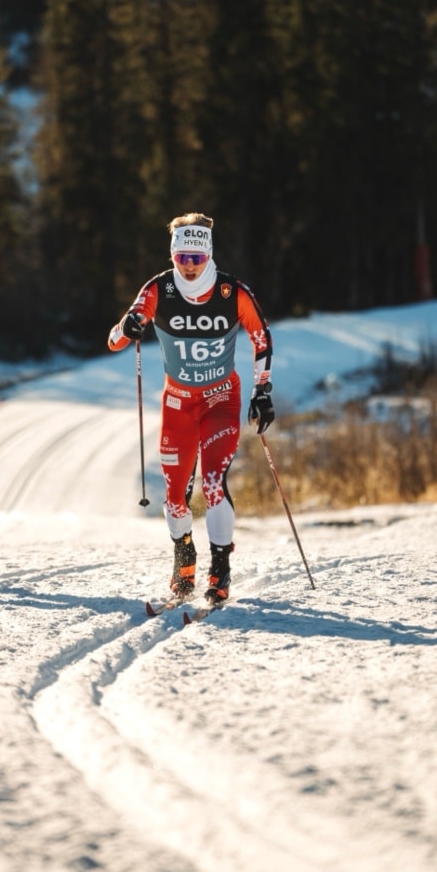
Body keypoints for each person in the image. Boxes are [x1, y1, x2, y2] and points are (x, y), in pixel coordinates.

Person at [108, 212, 274, 605]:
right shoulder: (157, 290)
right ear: (172, 256)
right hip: (178, 403)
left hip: (220, 400)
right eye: (181, 257)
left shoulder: (232, 293)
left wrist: (262, 392)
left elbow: (261, 338)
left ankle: (220, 571)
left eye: (196, 259)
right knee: (174, 496)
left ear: (209, 255)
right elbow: (114, 339)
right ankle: (184, 561)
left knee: (214, 484)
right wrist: (129, 327)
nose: (189, 266)